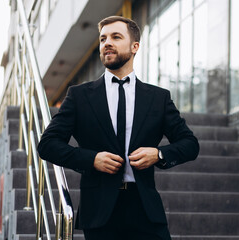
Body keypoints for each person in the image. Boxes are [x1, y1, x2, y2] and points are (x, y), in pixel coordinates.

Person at [37, 16, 199, 240]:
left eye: (116, 37)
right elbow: (47, 145)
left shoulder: (158, 98)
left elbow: (190, 144)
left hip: (145, 210)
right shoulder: (79, 96)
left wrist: (159, 154)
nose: (107, 43)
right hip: (100, 212)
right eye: (103, 39)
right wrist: (92, 159)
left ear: (135, 47)